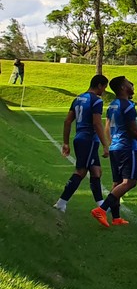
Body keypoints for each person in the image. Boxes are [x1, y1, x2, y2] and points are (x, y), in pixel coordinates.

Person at [94, 76, 137, 227]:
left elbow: (108, 126)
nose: (131, 85)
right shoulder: (127, 105)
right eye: (128, 83)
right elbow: (133, 129)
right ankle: (102, 209)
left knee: (118, 183)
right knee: (130, 182)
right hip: (126, 148)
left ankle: (116, 218)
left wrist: (110, 143)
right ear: (122, 87)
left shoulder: (113, 105)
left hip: (117, 147)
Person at [52, 74, 110, 214]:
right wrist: (105, 144)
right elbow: (97, 123)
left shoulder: (78, 98)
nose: (104, 91)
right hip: (89, 140)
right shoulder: (96, 100)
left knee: (96, 171)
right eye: (104, 88)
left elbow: (67, 121)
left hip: (79, 138)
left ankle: (101, 207)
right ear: (99, 86)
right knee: (81, 171)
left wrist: (66, 142)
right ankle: (61, 203)